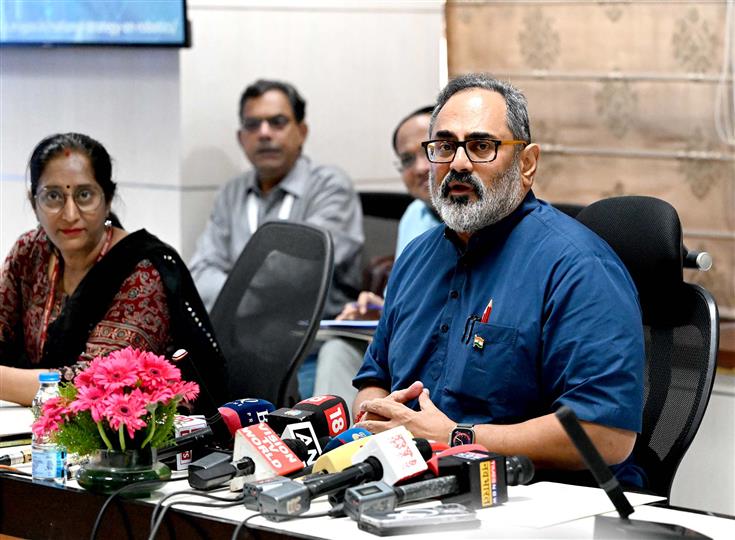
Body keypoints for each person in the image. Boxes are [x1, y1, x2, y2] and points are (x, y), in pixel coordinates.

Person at [352, 74, 646, 487]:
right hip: (415, 484)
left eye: (480, 146)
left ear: (526, 163)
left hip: (540, 500)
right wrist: (375, 418)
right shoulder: (416, 257)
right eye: (444, 146)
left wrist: (455, 439)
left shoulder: (578, 266)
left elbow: (605, 435)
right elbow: (374, 379)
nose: (457, 163)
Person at [0, 133, 228, 410]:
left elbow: (94, 387)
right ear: (34, 202)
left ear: (107, 199)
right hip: (46, 428)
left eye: (84, 195)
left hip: (146, 439)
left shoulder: (142, 271)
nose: (70, 213)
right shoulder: (30, 252)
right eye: (53, 196)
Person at [189, 79, 363, 318]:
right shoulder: (231, 193)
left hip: (315, 338)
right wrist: (249, 300)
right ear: (241, 138)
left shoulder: (329, 186)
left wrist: (234, 296)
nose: (264, 133)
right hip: (239, 336)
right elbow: (201, 272)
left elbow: (302, 270)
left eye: (277, 122)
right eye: (252, 125)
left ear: (302, 132)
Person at [313, 106, 442, 405]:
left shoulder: (474, 219)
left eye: (430, 150)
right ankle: (335, 447)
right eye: (407, 159)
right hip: (403, 343)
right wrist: (383, 310)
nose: (421, 167)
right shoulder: (414, 214)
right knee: (337, 350)